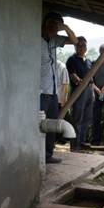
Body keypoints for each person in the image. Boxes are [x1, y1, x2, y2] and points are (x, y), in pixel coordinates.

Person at [41, 12, 78, 163]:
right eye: (52, 24)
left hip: (53, 91)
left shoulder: (54, 40)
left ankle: (48, 155)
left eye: (56, 26)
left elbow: (75, 40)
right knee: (40, 126)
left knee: (53, 126)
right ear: (45, 24)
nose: (54, 28)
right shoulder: (36, 39)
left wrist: (65, 27)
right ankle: (37, 155)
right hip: (40, 91)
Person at [66, 36, 93, 151]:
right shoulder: (71, 60)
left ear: (86, 47)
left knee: (86, 118)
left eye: (84, 46)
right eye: (79, 45)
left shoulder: (88, 61)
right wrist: (80, 81)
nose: (82, 48)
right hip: (78, 91)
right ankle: (74, 145)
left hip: (89, 91)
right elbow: (73, 76)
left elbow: (92, 77)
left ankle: (81, 142)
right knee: (76, 118)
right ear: (75, 47)